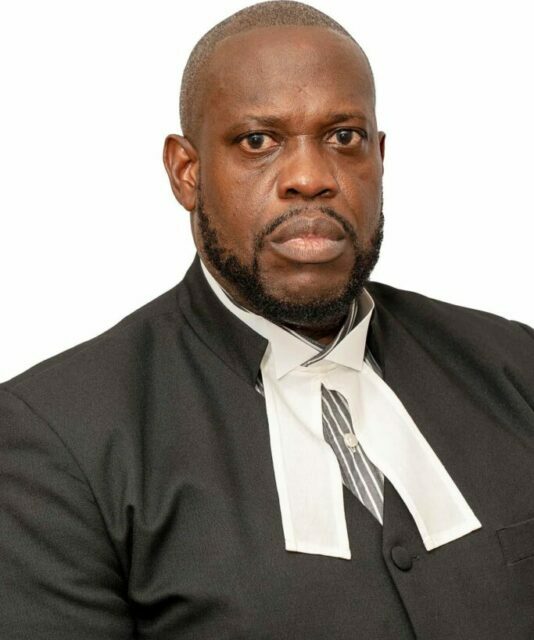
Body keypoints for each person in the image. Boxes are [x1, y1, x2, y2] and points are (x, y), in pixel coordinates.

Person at [1, 1, 533, 638]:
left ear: (380, 156)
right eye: (258, 141)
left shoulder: (514, 365)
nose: (310, 178)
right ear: (186, 172)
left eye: (344, 137)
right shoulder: (56, 439)